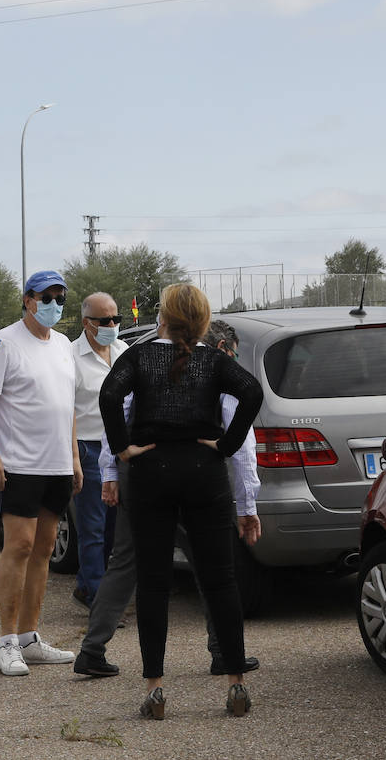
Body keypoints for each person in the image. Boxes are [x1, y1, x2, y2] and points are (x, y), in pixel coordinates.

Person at [99, 283, 263, 720]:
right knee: (220, 579)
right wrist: (226, 446)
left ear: (164, 317)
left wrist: (122, 449)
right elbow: (252, 393)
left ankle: (155, 687)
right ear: (204, 320)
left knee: (153, 582)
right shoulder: (214, 360)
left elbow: (109, 396)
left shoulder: (139, 355)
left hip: (152, 471)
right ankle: (235, 683)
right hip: (203, 470)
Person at [0, 269, 81, 677]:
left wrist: (74, 458)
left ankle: (31, 638)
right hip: (19, 464)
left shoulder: (64, 345)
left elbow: (65, 406)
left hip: (55, 464)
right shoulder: (4, 342)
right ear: (28, 300)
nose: (53, 305)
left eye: (60, 298)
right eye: (45, 297)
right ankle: (7, 641)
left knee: (45, 548)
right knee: (19, 546)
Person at [70, 292, 127, 608]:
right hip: (89, 448)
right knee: (92, 527)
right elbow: (67, 409)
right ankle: (99, 599)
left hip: (119, 448)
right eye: (104, 320)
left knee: (112, 527)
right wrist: (75, 457)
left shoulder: (123, 351)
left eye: (116, 319)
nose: (111, 325)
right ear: (86, 323)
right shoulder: (71, 356)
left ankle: (86, 585)